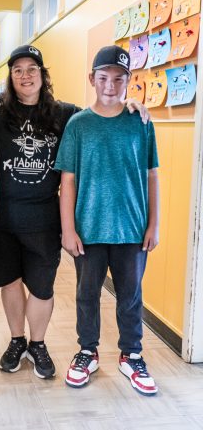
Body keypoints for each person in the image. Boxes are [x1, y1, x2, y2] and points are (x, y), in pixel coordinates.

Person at [0, 44, 148, 381]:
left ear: (42, 75)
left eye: (32, 69)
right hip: (3, 219)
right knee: (10, 282)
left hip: (44, 218)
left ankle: (39, 343)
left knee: (42, 288)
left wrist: (131, 104)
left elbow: (103, 110)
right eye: (17, 70)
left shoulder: (65, 114)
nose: (25, 76)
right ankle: (18, 340)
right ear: (10, 77)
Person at [55, 45, 159, 396]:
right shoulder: (78, 125)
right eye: (103, 78)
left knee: (130, 295)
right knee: (87, 294)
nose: (111, 86)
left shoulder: (141, 122)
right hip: (88, 228)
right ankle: (87, 350)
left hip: (131, 228)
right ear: (92, 80)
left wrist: (154, 223)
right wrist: (67, 229)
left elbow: (151, 175)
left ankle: (131, 354)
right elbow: (67, 180)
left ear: (130, 81)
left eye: (119, 79)